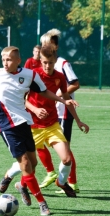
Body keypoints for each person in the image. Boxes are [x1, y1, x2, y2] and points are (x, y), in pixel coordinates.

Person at [0, 46, 78, 216]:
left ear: (18, 61)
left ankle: (19, 184)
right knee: (25, 164)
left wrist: (63, 101)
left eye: (9, 59)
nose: (5, 63)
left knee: (33, 164)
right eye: (3, 59)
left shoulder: (29, 75)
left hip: (25, 124)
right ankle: (42, 203)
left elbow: (45, 91)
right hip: (7, 126)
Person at [0, 44, 89, 197]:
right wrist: (35, 109)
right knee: (28, 164)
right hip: (32, 126)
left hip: (52, 124)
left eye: (51, 63)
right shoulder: (32, 75)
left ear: (55, 61)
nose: (48, 66)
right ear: (40, 61)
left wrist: (79, 121)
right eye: (45, 63)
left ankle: (61, 182)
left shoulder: (60, 77)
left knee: (67, 159)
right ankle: (9, 176)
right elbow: (22, 99)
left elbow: (66, 99)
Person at [37, 29, 82, 193]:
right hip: (49, 112)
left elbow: (75, 83)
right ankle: (52, 173)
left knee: (65, 150)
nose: (43, 46)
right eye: (42, 44)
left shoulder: (62, 63)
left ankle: (71, 182)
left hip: (63, 111)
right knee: (38, 143)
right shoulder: (43, 64)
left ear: (54, 46)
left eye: (46, 44)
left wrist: (59, 94)